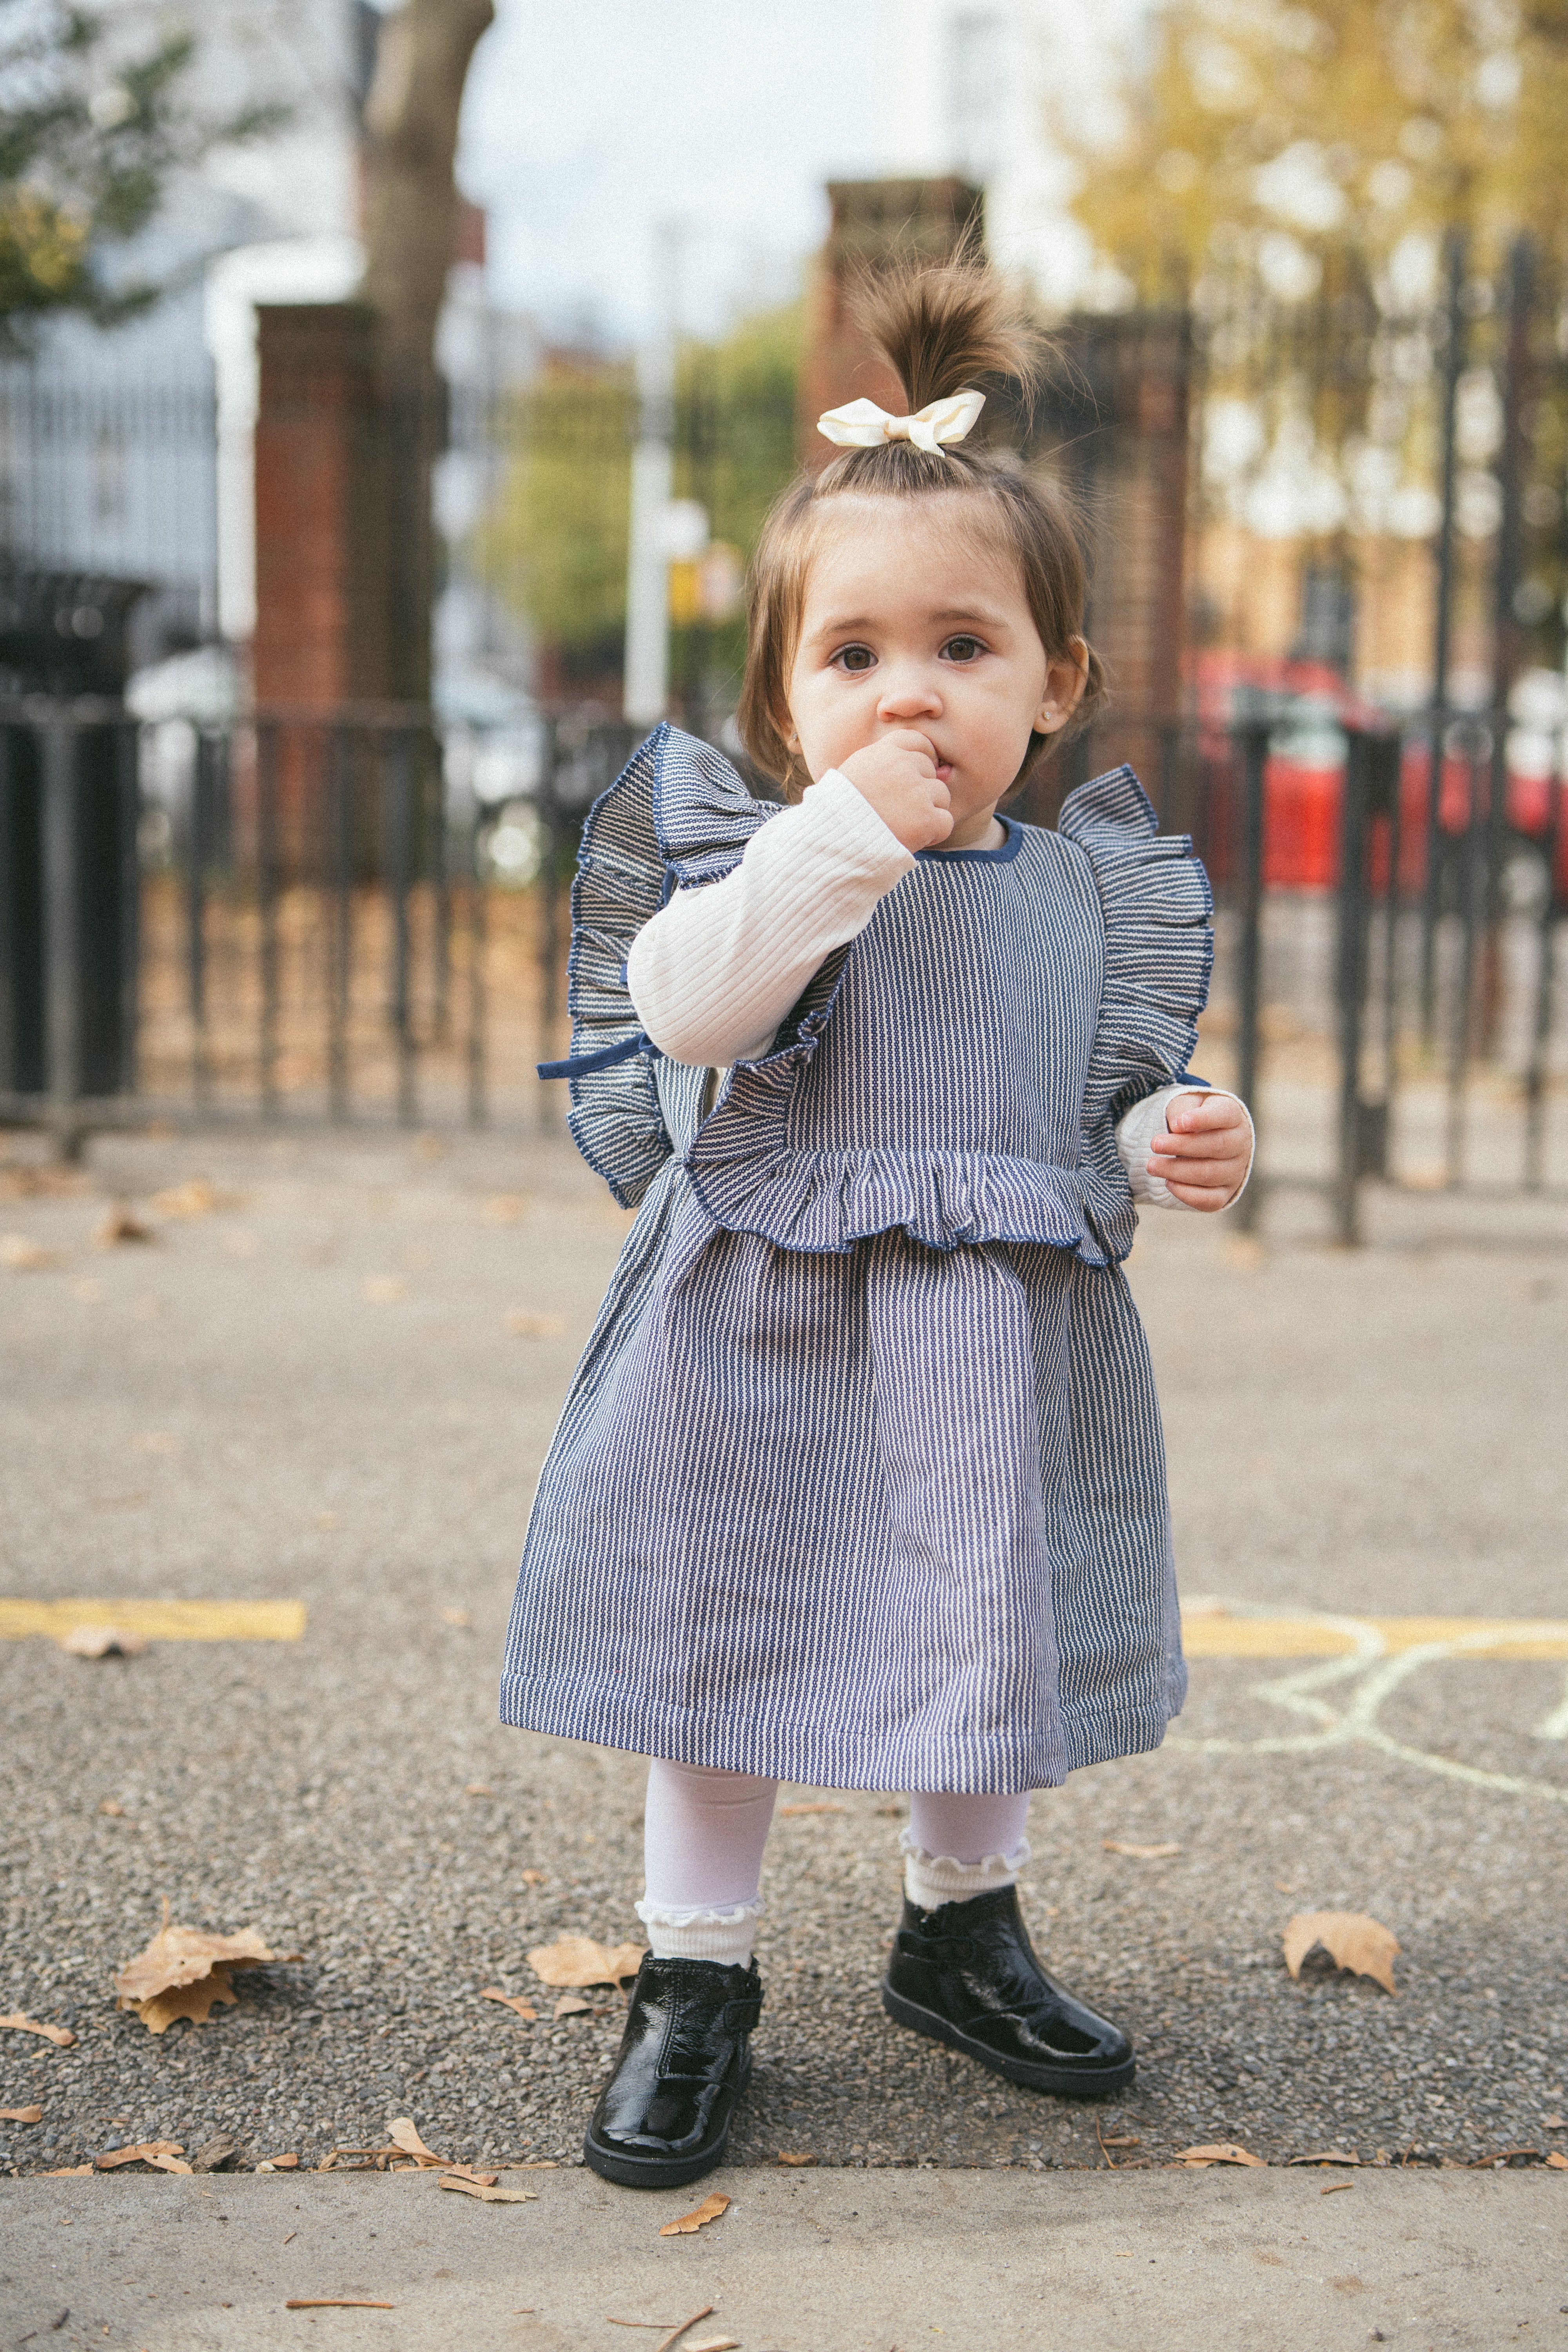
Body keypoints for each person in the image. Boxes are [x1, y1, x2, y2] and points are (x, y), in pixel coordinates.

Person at [503, 261, 1254, 2191]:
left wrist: (1172, 1127)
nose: (906, 691)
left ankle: (959, 1926)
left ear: (1054, 684)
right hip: (758, 1324)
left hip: (988, 1334)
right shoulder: (769, 858)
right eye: (850, 656)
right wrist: (839, 835)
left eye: (961, 647)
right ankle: (695, 1969)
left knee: (980, 1617)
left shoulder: (1073, 894)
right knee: (728, 1625)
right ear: (782, 702)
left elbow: (1093, 1091)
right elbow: (687, 1010)